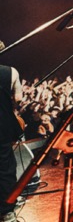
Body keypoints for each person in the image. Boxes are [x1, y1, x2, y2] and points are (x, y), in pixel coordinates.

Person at [0, 62, 23, 222]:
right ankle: (6, 212)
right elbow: (18, 98)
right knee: (5, 167)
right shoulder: (11, 72)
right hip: (2, 124)